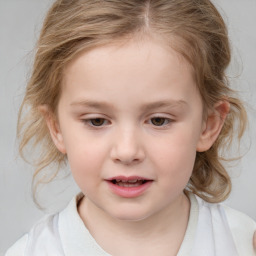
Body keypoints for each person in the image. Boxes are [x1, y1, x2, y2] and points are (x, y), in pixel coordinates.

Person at [5, 0, 256, 255]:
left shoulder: (243, 244)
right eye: (97, 121)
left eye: (159, 120)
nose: (127, 151)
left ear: (208, 125)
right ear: (56, 127)